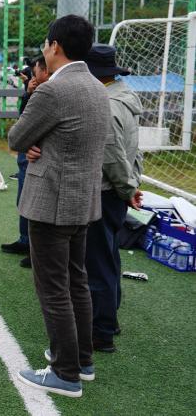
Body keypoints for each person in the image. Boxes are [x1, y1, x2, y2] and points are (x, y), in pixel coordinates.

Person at [9, 15, 110, 397]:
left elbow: (18, 135)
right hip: (82, 201)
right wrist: (42, 144)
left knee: (53, 289)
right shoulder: (97, 87)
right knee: (76, 283)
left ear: (55, 46)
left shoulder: (53, 90)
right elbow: (72, 139)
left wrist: (33, 142)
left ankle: (64, 372)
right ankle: (81, 361)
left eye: (46, 46)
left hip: (52, 201)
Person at [84, 43, 143, 354]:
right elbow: (133, 150)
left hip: (106, 190)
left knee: (97, 262)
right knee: (109, 255)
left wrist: (125, 187)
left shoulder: (105, 105)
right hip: (119, 191)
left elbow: (111, 155)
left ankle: (101, 329)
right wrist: (132, 186)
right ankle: (110, 317)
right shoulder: (125, 97)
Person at [1, 57, 49, 267]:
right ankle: (25, 240)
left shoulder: (54, 91)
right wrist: (28, 93)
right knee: (23, 200)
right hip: (26, 153)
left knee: (36, 204)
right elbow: (24, 118)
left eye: (34, 71)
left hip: (39, 155)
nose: (32, 75)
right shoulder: (34, 90)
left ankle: (37, 250)